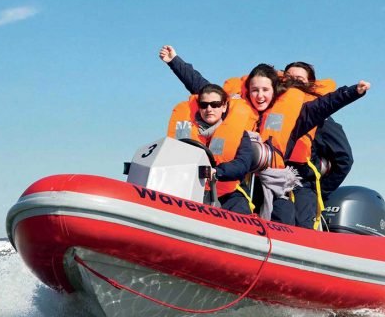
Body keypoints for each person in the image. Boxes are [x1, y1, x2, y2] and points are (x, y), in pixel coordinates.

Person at [159, 46, 370, 225]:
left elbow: (325, 106)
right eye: (254, 90)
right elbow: (204, 90)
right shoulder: (236, 108)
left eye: (265, 90)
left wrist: (353, 92)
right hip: (243, 179)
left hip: (283, 183)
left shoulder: (298, 115)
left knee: (287, 215)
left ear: (275, 90)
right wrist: (175, 62)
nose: (259, 96)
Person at [166, 84, 256, 214]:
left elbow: (242, 164)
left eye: (215, 104)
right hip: (188, 190)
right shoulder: (185, 130)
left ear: (224, 107)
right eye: (204, 105)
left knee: (240, 207)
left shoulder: (240, 134)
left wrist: (217, 171)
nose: (209, 109)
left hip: (228, 194)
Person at [284, 61, 354, 203]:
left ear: (310, 84)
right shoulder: (271, 111)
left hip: (302, 188)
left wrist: (319, 192)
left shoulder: (322, 120)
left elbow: (344, 160)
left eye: (299, 79)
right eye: (288, 77)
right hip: (268, 182)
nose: (292, 82)